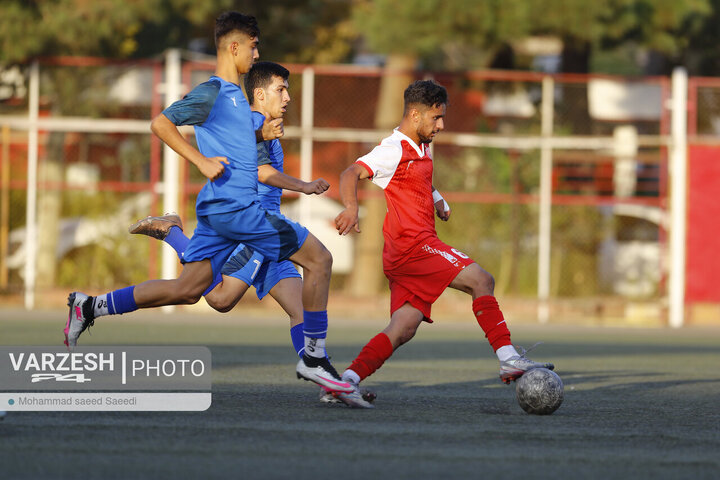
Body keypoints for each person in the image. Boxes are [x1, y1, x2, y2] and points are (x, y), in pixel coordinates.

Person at [63, 12, 353, 395]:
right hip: (243, 217)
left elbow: (253, 160)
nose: (256, 52)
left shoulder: (245, 110)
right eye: (253, 45)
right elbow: (162, 123)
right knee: (310, 263)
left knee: (190, 290)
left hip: (232, 215)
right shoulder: (215, 92)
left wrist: (266, 143)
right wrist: (201, 160)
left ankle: (90, 307)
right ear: (234, 47)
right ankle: (315, 363)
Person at [129, 62, 372, 404]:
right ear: (259, 94)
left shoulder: (265, 124)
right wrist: (302, 186)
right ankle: (173, 233)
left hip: (271, 233)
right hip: (255, 231)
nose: (287, 97)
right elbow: (260, 173)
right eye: (281, 89)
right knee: (221, 299)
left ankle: (330, 384)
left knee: (300, 309)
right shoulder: (250, 123)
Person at [332, 80, 554, 407]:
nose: (442, 125)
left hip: (402, 253)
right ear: (415, 115)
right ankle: (508, 356)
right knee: (482, 279)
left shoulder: (421, 145)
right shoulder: (393, 149)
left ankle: (345, 381)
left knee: (404, 327)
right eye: (436, 118)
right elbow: (351, 172)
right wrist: (352, 208)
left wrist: (435, 198)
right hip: (414, 246)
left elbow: (416, 178)